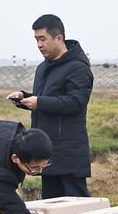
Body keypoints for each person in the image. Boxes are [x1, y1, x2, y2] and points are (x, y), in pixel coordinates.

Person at [7, 14, 94, 199]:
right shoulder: (42, 67)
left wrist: (38, 102)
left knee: (78, 209)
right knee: (52, 208)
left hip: (69, 154)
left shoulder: (78, 68)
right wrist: (25, 98)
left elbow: (75, 103)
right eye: (36, 40)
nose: (39, 44)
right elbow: (48, 99)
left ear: (59, 38)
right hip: (46, 153)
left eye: (42, 39)